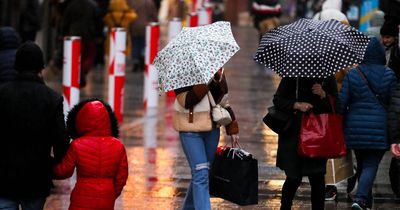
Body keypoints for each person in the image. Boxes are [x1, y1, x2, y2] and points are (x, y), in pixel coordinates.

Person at [0, 41, 70, 210]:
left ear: (16, 65)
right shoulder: (52, 98)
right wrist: (51, 164)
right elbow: (61, 141)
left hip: (3, 177)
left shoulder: (2, 93)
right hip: (36, 178)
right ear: (41, 67)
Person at [340, 37, 397, 210]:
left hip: (354, 127)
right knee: (371, 165)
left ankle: (365, 201)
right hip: (380, 128)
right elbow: (393, 103)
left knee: (363, 163)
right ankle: (361, 199)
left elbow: (342, 104)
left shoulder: (353, 74)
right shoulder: (389, 74)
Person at [173, 68, 239, 210]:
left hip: (212, 129)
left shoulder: (217, 68)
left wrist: (231, 127)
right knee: (201, 172)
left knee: (205, 173)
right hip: (190, 130)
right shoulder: (181, 69)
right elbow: (185, 101)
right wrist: (205, 82)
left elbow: (223, 101)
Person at [272, 74, 339, 210]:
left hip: (317, 137)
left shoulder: (327, 76)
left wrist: (323, 94)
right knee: (293, 178)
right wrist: (296, 105)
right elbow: (278, 100)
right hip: (294, 137)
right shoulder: (292, 75)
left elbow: (337, 106)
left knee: (317, 179)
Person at [53, 99, 128, 210]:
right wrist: (111, 194)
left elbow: (64, 171)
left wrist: (48, 166)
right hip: (106, 200)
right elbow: (121, 177)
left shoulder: (77, 145)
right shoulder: (118, 146)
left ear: (81, 121)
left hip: (81, 198)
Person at [61, 0, 103, 87]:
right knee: (88, 55)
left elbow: (66, 20)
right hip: (89, 35)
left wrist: (64, 33)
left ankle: (78, 74)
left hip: (74, 34)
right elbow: (99, 22)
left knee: (77, 57)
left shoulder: (72, 4)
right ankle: (83, 71)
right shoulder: (93, 5)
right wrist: (98, 34)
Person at [128, 0, 158, 72]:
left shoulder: (132, 2)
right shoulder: (150, 2)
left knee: (135, 44)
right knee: (144, 45)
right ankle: (143, 59)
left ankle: (135, 61)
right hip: (146, 27)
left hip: (134, 26)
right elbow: (154, 15)